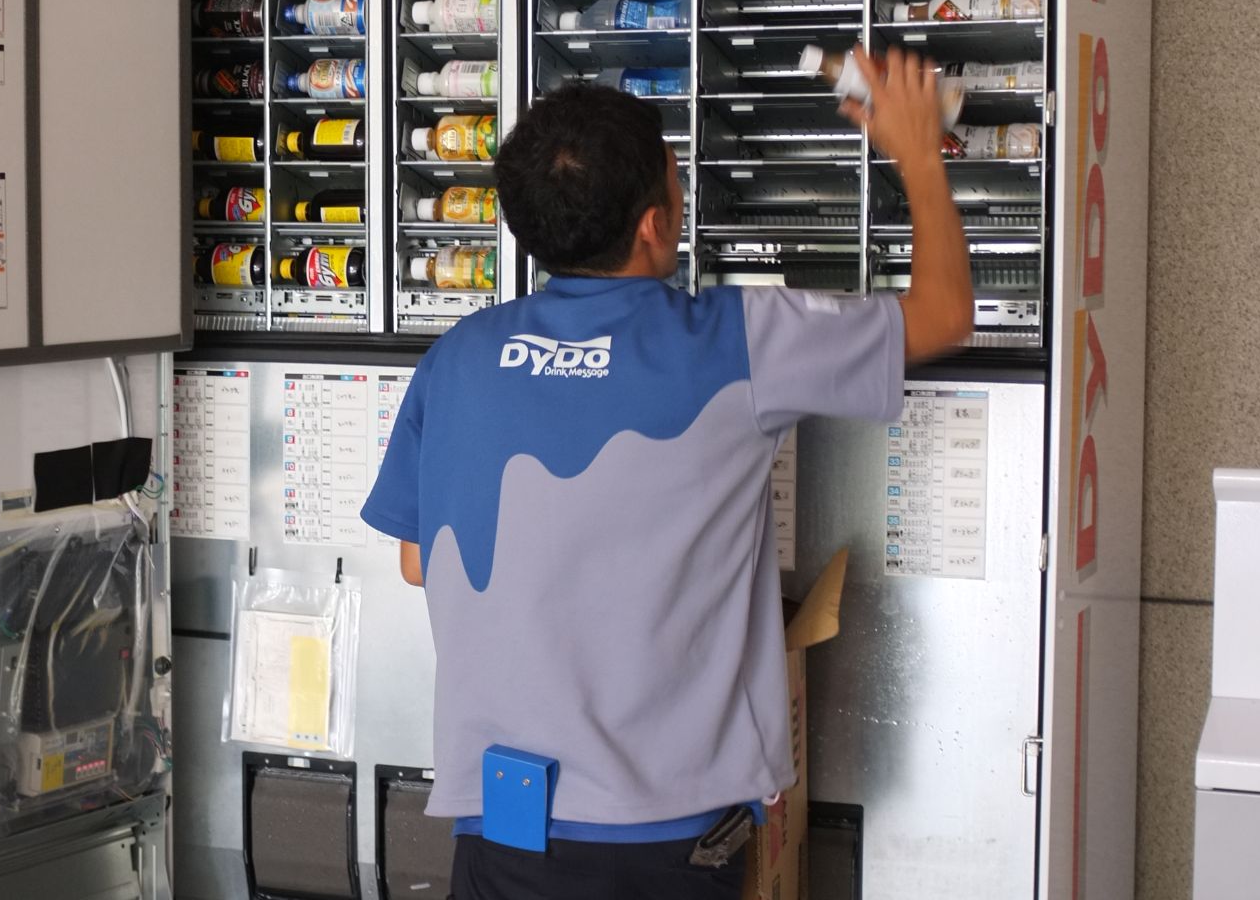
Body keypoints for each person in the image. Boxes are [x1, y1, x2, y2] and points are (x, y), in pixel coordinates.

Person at [359, 48, 973, 899]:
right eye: (677, 180)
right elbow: (944, 313)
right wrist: (914, 153)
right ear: (655, 222)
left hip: (500, 832)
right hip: (665, 848)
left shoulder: (456, 359)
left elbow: (419, 560)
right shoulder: (735, 341)